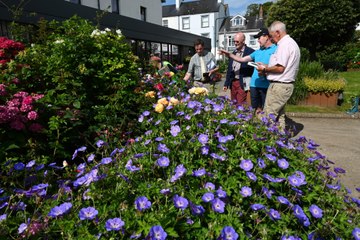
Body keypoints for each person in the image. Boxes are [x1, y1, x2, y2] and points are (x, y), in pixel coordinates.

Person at [219, 28, 277, 114]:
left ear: (266, 37)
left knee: (266, 109)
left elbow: (279, 66)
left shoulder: (276, 49)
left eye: (259, 38)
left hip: (263, 84)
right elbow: (240, 61)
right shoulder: (257, 52)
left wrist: (265, 68)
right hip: (253, 84)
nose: (258, 40)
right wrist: (229, 54)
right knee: (253, 109)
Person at [256, 21, 301, 130]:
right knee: (279, 117)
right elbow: (280, 65)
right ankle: (280, 141)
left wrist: (265, 69)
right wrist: (266, 65)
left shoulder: (284, 45)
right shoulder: (290, 43)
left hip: (279, 86)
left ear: (278, 32)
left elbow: (280, 68)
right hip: (283, 86)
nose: (271, 39)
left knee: (268, 116)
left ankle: (267, 143)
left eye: (271, 36)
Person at [222, 32, 254, 106]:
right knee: (233, 103)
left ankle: (241, 117)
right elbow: (229, 69)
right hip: (233, 82)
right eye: (234, 41)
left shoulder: (250, 52)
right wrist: (226, 83)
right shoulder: (234, 52)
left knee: (240, 104)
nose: (235, 43)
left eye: (237, 41)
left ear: (243, 41)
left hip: (243, 82)